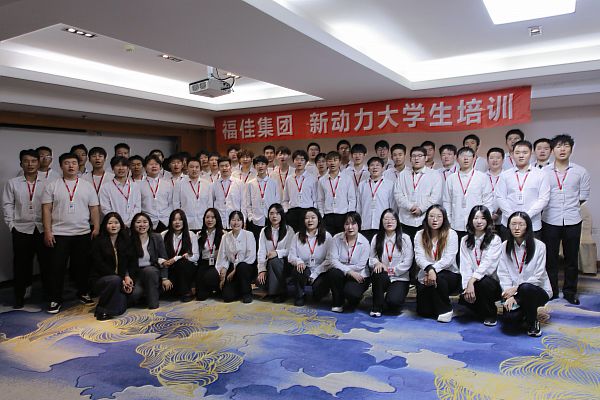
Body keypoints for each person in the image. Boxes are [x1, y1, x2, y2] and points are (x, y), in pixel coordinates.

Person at [42, 152, 100, 313]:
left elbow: (94, 208)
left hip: (82, 232)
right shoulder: (52, 186)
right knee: (57, 268)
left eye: (74, 163)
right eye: (67, 163)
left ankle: (83, 292)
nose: (71, 166)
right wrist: (47, 231)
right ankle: (55, 298)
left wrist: (96, 227)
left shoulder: (87, 186)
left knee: (82, 266)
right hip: (59, 233)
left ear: (78, 165)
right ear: (61, 166)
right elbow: (46, 209)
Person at [542, 134, 590, 304]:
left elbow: (582, 197)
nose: (562, 149)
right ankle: (552, 290)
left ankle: (570, 291)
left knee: (571, 258)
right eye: (558, 146)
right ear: (552, 150)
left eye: (566, 146)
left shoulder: (580, 171)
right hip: (550, 220)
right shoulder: (543, 172)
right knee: (551, 258)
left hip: (572, 220)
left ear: (571, 149)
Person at [2, 149, 50, 308]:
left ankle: (49, 294)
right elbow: (7, 205)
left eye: (33, 161)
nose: (30, 164)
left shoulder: (47, 183)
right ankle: (19, 297)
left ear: (39, 163)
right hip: (21, 229)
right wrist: (12, 225)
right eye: (26, 161)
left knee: (46, 263)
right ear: (21, 163)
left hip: (43, 228)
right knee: (21, 264)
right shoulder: (13, 183)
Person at [498, 212, 552, 337]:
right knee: (509, 321)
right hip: (514, 293)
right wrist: (509, 294)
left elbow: (538, 276)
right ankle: (524, 312)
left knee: (526, 288)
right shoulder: (504, 246)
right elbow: (503, 273)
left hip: (537, 290)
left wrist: (516, 290)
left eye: (521, 224)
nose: (517, 228)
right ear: (508, 226)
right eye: (513, 224)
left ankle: (533, 322)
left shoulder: (539, 246)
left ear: (527, 226)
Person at [414, 205, 460, 322]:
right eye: (431, 216)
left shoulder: (451, 234)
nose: (435, 220)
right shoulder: (420, 234)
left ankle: (446, 310)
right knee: (423, 312)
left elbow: (448, 259)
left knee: (439, 278)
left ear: (444, 219)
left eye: (439, 216)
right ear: (426, 218)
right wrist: (429, 270)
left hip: (448, 274)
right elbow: (419, 257)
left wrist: (433, 270)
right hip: (426, 275)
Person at [496, 140, 550, 239]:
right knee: (508, 249)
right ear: (512, 154)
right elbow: (500, 197)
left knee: (532, 249)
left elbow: (543, 199)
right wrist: (513, 217)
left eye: (525, 152)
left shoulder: (541, 174)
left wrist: (526, 216)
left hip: (532, 225)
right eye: (517, 153)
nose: (521, 156)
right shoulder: (505, 175)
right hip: (509, 224)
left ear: (531, 153)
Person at [458, 206, 503, 326]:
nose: (479, 221)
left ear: (488, 220)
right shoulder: (465, 240)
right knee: (464, 300)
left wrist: (472, 281)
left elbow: (488, 265)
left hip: (491, 283)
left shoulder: (495, 240)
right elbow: (465, 265)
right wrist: (466, 287)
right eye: (475, 218)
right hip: (472, 283)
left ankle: (490, 314)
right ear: (470, 220)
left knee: (483, 283)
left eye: (483, 218)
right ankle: (479, 307)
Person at [89, 212, 138, 321]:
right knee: (114, 280)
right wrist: (120, 279)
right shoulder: (98, 241)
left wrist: (128, 276)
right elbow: (99, 265)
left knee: (122, 308)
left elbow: (132, 262)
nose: (113, 226)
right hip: (101, 279)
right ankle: (102, 310)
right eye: (110, 223)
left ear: (121, 225)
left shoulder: (126, 240)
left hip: (121, 279)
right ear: (105, 225)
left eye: (116, 223)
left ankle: (112, 306)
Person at [369, 209, 413, 317]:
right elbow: (371, 258)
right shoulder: (377, 238)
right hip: (382, 276)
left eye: (393, 219)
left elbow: (408, 262)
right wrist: (377, 263)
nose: (389, 222)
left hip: (400, 277)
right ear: (381, 221)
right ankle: (376, 307)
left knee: (394, 303)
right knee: (377, 273)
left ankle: (389, 299)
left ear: (397, 221)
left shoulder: (405, 238)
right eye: (386, 219)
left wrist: (391, 270)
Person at [443, 147, 493, 242]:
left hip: (477, 224)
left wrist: (486, 220)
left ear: (474, 158)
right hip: (456, 224)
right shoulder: (451, 179)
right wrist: (448, 220)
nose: (466, 159)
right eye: (462, 156)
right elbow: (447, 201)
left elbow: (488, 201)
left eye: (469, 156)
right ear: (457, 159)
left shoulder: (482, 177)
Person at [394, 146, 443, 243]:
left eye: (420, 156)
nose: (416, 158)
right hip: (405, 219)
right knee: (406, 247)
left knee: (425, 246)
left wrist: (421, 209)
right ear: (410, 159)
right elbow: (398, 194)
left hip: (425, 219)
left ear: (426, 158)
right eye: (413, 156)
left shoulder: (434, 175)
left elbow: (435, 197)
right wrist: (410, 207)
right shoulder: (403, 175)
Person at [289, 207, 334, 306]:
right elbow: (291, 256)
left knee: (318, 297)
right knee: (298, 269)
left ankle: (320, 292)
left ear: (319, 220)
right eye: (307, 218)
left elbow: (330, 259)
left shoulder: (327, 236)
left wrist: (316, 273)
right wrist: (298, 261)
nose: (310, 220)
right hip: (305, 268)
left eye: (313, 217)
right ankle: (300, 295)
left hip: (321, 270)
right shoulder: (297, 236)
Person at [328, 212, 371, 313]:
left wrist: (344, 268)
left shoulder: (364, 242)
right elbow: (333, 260)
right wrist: (349, 271)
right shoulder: (336, 238)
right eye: (347, 224)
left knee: (352, 295)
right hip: (345, 273)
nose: (350, 227)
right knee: (333, 272)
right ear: (343, 226)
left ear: (359, 225)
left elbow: (360, 266)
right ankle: (337, 302)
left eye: (353, 223)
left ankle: (354, 299)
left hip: (359, 275)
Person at [129, 212, 171, 309]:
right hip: (135, 274)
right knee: (134, 295)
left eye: (145, 222)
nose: (142, 225)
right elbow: (125, 262)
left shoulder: (156, 237)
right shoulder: (129, 239)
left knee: (150, 271)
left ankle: (153, 304)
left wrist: (165, 278)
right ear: (133, 224)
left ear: (149, 224)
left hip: (152, 270)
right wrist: (127, 276)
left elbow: (164, 258)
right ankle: (145, 294)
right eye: (138, 222)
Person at [215, 211, 257, 303]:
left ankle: (247, 293)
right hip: (231, 267)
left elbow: (251, 257)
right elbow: (222, 256)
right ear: (229, 222)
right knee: (227, 297)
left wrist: (235, 270)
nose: (236, 222)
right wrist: (224, 270)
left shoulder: (249, 235)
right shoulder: (225, 237)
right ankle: (239, 289)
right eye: (233, 220)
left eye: (238, 220)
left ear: (242, 222)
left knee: (242, 267)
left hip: (246, 267)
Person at [257, 204, 294, 302]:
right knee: (259, 280)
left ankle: (280, 293)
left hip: (285, 263)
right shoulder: (264, 231)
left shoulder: (289, 230)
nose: (274, 216)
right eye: (271, 213)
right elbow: (261, 252)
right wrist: (261, 270)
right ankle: (273, 291)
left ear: (282, 215)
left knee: (274, 261)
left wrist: (277, 253)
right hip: (268, 264)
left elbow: (291, 250)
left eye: (277, 213)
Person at [161, 209, 199, 302]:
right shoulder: (164, 235)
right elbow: (158, 255)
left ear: (184, 221)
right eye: (174, 220)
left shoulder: (191, 235)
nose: (177, 222)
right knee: (168, 295)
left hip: (186, 268)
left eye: (180, 219)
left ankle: (186, 292)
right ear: (170, 222)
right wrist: (163, 262)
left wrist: (178, 258)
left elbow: (196, 256)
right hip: (169, 268)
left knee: (182, 264)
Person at [356, 157, 395, 242]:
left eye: (378, 165)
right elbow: (358, 206)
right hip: (365, 224)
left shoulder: (390, 184)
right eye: (372, 165)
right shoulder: (362, 185)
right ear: (368, 168)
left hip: (382, 225)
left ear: (383, 168)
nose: (375, 167)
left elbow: (392, 206)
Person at [317, 151, 356, 235]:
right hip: (327, 216)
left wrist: (350, 215)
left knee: (343, 239)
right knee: (328, 239)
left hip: (343, 215)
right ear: (326, 163)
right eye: (329, 160)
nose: (332, 163)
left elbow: (352, 199)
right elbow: (320, 200)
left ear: (340, 162)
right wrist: (321, 215)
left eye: (335, 160)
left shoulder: (347, 178)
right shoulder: (322, 180)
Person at [244, 155, 279, 242]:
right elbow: (248, 203)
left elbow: (277, 201)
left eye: (263, 164)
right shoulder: (250, 184)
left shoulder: (273, 183)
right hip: (256, 219)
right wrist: (250, 217)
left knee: (270, 242)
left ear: (267, 165)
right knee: (256, 242)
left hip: (270, 218)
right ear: (254, 166)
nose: (260, 166)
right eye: (258, 164)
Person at [173, 157, 212, 232]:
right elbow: (176, 204)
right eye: (191, 167)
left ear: (200, 168)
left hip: (203, 222)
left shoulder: (207, 184)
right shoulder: (179, 184)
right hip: (186, 223)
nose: (194, 169)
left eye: (197, 167)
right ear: (187, 168)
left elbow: (209, 204)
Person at [99, 156, 141, 226]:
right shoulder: (106, 187)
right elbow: (105, 209)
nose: (121, 168)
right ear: (112, 168)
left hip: (132, 224)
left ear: (128, 168)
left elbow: (137, 207)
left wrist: (130, 221)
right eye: (118, 166)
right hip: (114, 225)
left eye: (124, 166)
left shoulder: (135, 186)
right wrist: (117, 222)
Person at [283, 150, 318, 232]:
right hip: (292, 212)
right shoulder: (289, 179)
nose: (299, 162)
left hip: (307, 211)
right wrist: (286, 211)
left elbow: (315, 199)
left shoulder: (312, 178)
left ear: (306, 162)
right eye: (297, 159)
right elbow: (285, 199)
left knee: (306, 235)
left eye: (302, 160)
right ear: (293, 161)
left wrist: (314, 212)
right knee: (292, 235)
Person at [196, 208, 224, 300]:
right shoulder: (199, 235)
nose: (210, 220)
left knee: (211, 276)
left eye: (213, 217)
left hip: (217, 263)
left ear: (217, 219)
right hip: (204, 263)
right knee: (201, 296)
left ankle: (216, 288)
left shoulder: (223, 234)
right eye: (207, 217)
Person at [140, 154, 173, 232]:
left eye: (156, 164)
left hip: (165, 221)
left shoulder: (167, 184)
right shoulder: (139, 185)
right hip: (147, 222)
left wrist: (166, 216)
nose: (154, 166)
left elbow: (171, 203)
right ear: (145, 167)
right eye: (151, 164)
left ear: (160, 167)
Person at [212, 157, 245, 230]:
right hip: (219, 221)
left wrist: (244, 220)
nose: (224, 168)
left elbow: (243, 203)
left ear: (230, 167)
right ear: (218, 168)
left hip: (235, 221)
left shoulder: (239, 183)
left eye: (226, 166)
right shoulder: (214, 184)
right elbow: (212, 203)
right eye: (222, 166)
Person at [486, 147, 505, 231]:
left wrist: (497, 214)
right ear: (487, 160)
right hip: (485, 218)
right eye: (491, 158)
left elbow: (509, 197)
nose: (495, 160)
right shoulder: (481, 177)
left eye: (498, 158)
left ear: (503, 160)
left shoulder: (508, 176)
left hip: (503, 219)